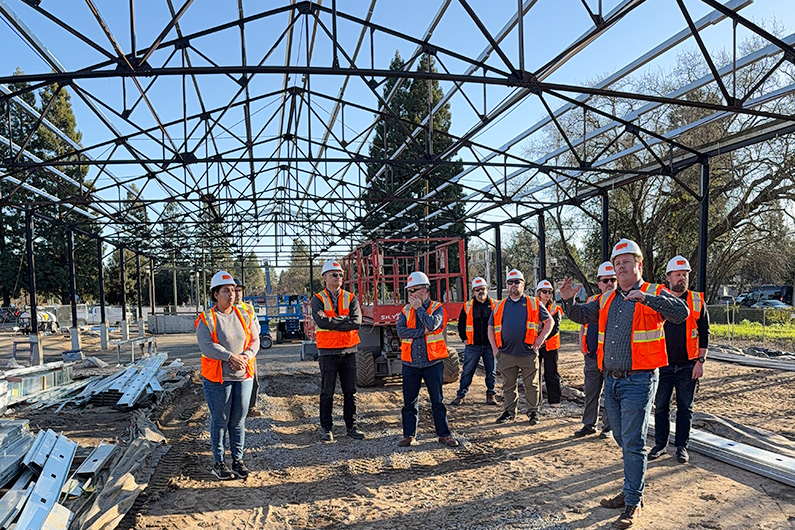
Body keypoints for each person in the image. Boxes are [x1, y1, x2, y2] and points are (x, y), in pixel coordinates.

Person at [559, 239, 688, 529]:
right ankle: (631, 490)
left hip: (639, 380)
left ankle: (633, 500)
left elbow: (681, 313)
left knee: (633, 441)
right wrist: (568, 301)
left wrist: (645, 299)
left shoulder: (654, 291)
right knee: (621, 437)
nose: (620, 267)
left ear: (638, 265)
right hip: (612, 380)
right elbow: (582, 315)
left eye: (626, 262)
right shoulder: (606, 298)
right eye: (617, 263)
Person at [195, 270, 260, 480]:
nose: (231, 295)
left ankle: (238, 460)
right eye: (225, 291)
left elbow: (254, 339)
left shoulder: (245, 314)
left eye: (232, 290)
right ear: (215, 294)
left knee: (238, 420)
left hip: (243, 376)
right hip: (218, 379)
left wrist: (246, 356)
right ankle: (219, 462)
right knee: (220, 420)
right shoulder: (207, 318)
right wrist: (230, 356)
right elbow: (207, 346)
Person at [648, 256, 710, 464]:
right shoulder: (659, 299)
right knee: (661, 406)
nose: (682, 278)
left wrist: (700, 361)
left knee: (685, 407)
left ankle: (682, 446)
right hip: (662, 364)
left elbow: (704, 332)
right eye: (677, 274)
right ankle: (660, 444)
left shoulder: (697, 300)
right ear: (668, 277)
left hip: (688, 365)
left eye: (685, 274)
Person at [396, 271, 459, 447]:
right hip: (410, 364)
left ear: (424, 290)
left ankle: (444, 434)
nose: (410, 295)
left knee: (437, 401)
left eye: (414, 290)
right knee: (409, 402)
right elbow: (401, 332)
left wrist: (419, 309)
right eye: (408, 291)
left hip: (433, 363)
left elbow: (432, 324)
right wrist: (421, 333)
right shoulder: (405, 310)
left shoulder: (437, 308)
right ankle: (409, 435)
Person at [489, 269, 553, 425]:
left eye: (517, 282)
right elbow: (490, 328)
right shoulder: (499, 306)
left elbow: (549, 321)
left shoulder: (534, 303)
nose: (513, 285)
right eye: (510, 282)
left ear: (523, 284)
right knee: (508, 385)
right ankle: (509, 411)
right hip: (506, 354)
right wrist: (495, 349)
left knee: (531, 385)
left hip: (528, 353)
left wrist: (540, 339)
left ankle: (533, 412)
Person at [311, 260, 364, 443]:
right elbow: (322, 323)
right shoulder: (318, 299)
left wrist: (334, 320)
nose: (338, 277)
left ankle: (352, 426)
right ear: (325, 278)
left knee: (351, 391)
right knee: (327, 392)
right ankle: (326, 428)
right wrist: (344, 319)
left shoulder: (351, 298)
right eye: (334, 274)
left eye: (341, 274)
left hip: (349, 350)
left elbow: (356, 321)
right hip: (327, 352)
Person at [574, 261, 616, 438]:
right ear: (598, 283)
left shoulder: (621, 302)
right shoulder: (592, 301)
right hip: (592, 356)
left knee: (610, 394)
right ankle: (589, 424)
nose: (609, 284)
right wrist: (581, 345)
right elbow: (583, 324)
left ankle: (608, 427)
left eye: (612, 279)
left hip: (610, 359)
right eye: (605, 280)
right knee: (591, 392)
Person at [451, 276, 498, 406]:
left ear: (487, 289)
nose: (480, 292)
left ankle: (491, 394)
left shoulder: (495, 305)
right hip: (473, 345)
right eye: (477, 290)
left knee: (491, 372)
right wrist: (464, 339)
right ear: (473, 292)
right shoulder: (467, 306)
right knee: (467, 371)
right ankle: (461, 395)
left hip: (490, 345)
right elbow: (461, 324)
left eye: (482, 289)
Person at [234, 278, 262, 418]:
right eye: (235, 290)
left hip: (249, 353)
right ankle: (237, 410)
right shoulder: (226, 309)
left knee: (253, 381)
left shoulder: (249, 308)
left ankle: (251, 407)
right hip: (233, 353)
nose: (238, 293)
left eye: (239, 290)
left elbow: (256, 328)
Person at [536, 279, 562, 406]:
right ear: (539, 293)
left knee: (551, 372)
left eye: (549, 292)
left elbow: (555, 328)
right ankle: (536, 399)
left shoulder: (555, 309)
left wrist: (543, 338)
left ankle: (554, 400)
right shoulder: (533, 306)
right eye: (544, 292)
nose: (547, 294)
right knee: (535, 372)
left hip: (550, 345)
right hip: (535, 344)